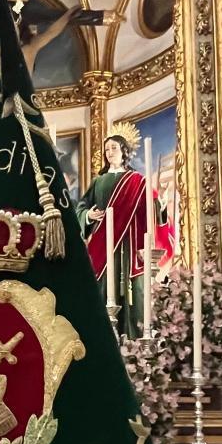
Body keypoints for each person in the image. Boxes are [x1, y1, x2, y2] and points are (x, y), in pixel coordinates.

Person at [75, 126, 168, 338]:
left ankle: (136, 339)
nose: (109, 152)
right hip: (103, 245)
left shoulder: (137, 181)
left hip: (130, 244)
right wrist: (88, 215)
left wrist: (160, 203)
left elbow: (151, 209)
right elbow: (80, 208)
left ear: (124, 151)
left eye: (114, 148)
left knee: (136, 291)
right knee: (103, 287)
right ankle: (103, 339)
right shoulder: (98, 181)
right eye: (106, 149)